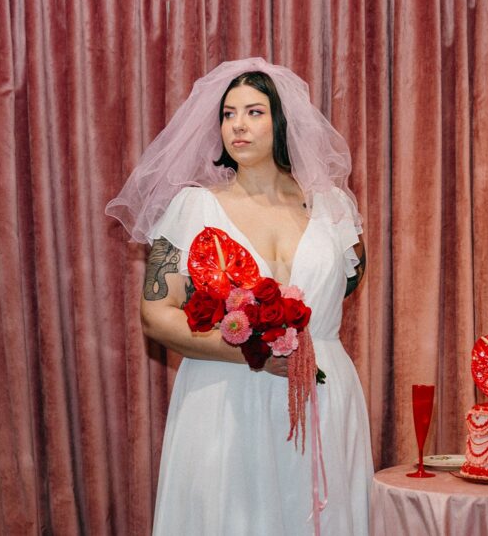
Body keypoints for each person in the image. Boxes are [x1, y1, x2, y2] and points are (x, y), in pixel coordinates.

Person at [106, 58, 373, 535]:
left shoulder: (334, 208)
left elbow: (347, 286)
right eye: (228, 114)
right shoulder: (190, 207)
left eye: (254, 112)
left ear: (282, 121)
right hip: (224, 399)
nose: (238, 126)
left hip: (323, 397)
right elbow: (155, 316)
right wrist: (251, 354)